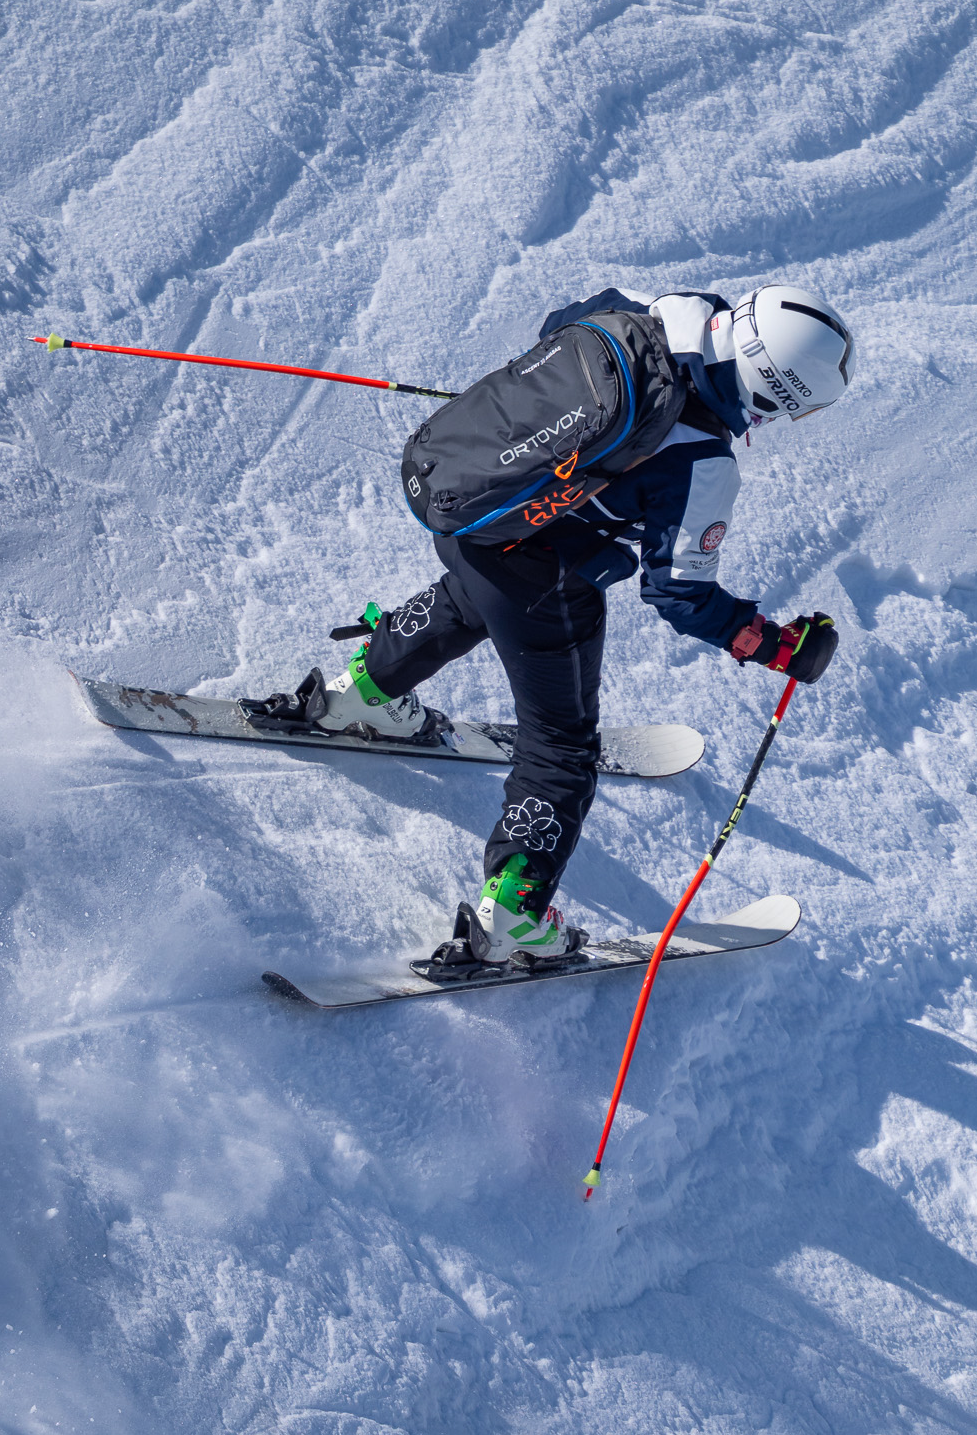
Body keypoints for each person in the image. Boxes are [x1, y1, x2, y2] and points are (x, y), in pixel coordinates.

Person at [314, 284, 854, 964]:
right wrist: (776, 647)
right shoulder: (702, 462)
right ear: (771, 395)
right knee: (562, 747)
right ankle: (513, 914)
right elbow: (679, 593)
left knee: (470, 600)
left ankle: (361, 692)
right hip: (542, 578)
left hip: (471, 517)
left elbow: (557, 327)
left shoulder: (649, 310)